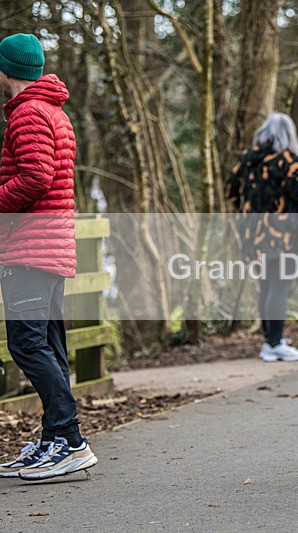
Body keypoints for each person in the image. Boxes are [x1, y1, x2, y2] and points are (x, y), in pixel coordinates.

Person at [0, 33, 98, 480]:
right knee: (48, 344)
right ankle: (55, 438)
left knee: (27, 343)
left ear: (6, 70)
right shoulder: (54, 111)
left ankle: (70, 440)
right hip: (50, 247)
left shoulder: (28, 113)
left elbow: (36, 177)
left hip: (31, 248)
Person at [225, 113, 298, 363]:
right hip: (279, 234)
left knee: (266, 285)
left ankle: (270, 340)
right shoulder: (287, 160)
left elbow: (230, 190)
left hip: (251, 232)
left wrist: (247, 208)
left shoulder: (248, 158)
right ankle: (274, 344)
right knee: (280, 285)